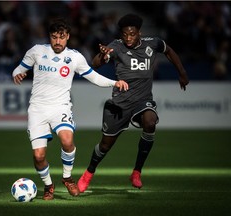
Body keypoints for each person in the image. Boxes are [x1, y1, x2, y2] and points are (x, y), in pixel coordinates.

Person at [12, 18, 128, 200]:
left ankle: (67, 177)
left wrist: (115, 82)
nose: (57, 41)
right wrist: (17, 74)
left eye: (61, 37)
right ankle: (49, 185)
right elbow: (18, 68)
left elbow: (94, 77)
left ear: (68, 37)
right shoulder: (37, 51)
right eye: (54, 37)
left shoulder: (75, 57)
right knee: (39, 156)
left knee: (67, 141)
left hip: (61, 107)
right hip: (37, 109)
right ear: (49, 37)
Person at [77, 13, 189, 192]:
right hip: (120, 103)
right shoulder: (116, 46)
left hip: (143, 100)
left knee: (150, 122)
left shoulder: (152, 43)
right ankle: (89, 173)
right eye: (125, 34)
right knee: (105, 144)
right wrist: (103, 55)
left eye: (132, 34)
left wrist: (181, 72)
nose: (128, 38)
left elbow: (169, 51)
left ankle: (136, 171)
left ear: (139, 33)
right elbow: (95, 63)